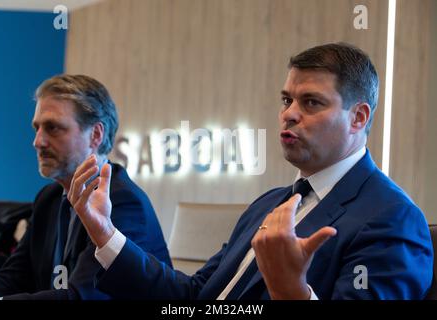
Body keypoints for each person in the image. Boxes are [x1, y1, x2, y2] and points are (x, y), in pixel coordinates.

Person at [68, 43, 433, 299]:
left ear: (358, 117)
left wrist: (293, 292)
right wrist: (105, 234)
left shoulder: (392, 219)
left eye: (311, 102)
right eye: (287, 99)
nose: (289, 113)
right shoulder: (267, 205)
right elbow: (194, 297)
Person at [0, 75, 171, 300]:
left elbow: (83, 296)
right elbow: (13, 277)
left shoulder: (122, 201)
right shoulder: (49, 198)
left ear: (95, 135)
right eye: (37, 128)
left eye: (53, 128)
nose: (38, 141)